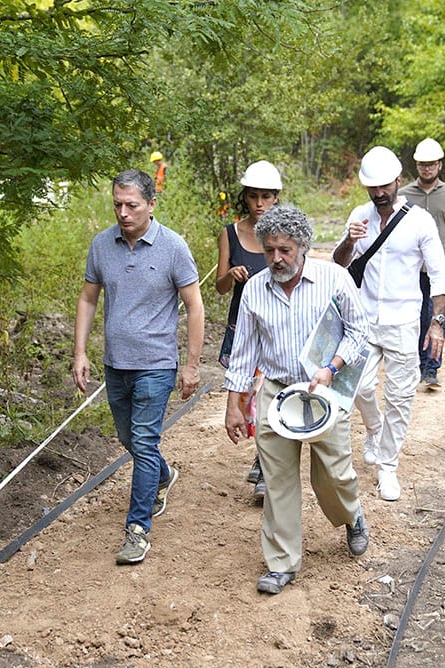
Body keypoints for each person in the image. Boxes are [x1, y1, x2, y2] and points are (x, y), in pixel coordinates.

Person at [224, 204, 371, 595]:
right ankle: (282, 563)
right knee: (278, 481)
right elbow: (243, 353)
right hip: (276, 392)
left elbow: (359, 331)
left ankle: (351, 516)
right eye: (269, 250)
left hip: (325, 389)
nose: (276, 259)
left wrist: (332, 367)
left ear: (303, 246)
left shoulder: (334, 279)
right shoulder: (256, 288)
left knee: (333, 476)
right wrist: (233, 404)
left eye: (285, 250)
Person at [71, 168, 204, 565]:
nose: (123, 213)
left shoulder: (173, 248)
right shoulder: (101, 245)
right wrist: (80, 352)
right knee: (130, 440)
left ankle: (138, 529)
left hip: (157, 364)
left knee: (144, 442)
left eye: (132, 205)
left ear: (151, 204)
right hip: (116, 363)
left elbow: (195, 306)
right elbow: (88, 299)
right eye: (117, 204)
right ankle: (162, 475)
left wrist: (192, 365)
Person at [332, 146, 445, 502]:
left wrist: (437, 322)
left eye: (385, 186)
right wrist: (349, 240)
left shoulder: (419, 221)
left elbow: (440, 275)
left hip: (403, 321)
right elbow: (339, 265)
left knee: (399, 397)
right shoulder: (358, 216)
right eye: (373, 187)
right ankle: (373, 429)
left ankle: (388, 468)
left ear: (398, 181)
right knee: (358, 388)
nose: (380, 193)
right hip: (363, 320)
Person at [215, 160, 283, 503]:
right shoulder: (231, 233)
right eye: (254, 196)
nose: (259, 203)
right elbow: (219, 286)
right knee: (245, 397)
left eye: (266, 196)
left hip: (275, 329)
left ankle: (265, 463)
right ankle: (261, 455)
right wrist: (233, 273)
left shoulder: (282, 238)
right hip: (242, 327)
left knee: (265, 396)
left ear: (276, 198)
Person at [398, 138, 445, 389]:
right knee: (416, 316)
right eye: (422, 165)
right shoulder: (404, 195)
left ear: (439, 165)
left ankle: (431, 370)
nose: (427, 169)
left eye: (431, 164)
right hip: (414, 266)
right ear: (416, 166)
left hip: (444, 264)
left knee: (437, 316)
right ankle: (416, 365)